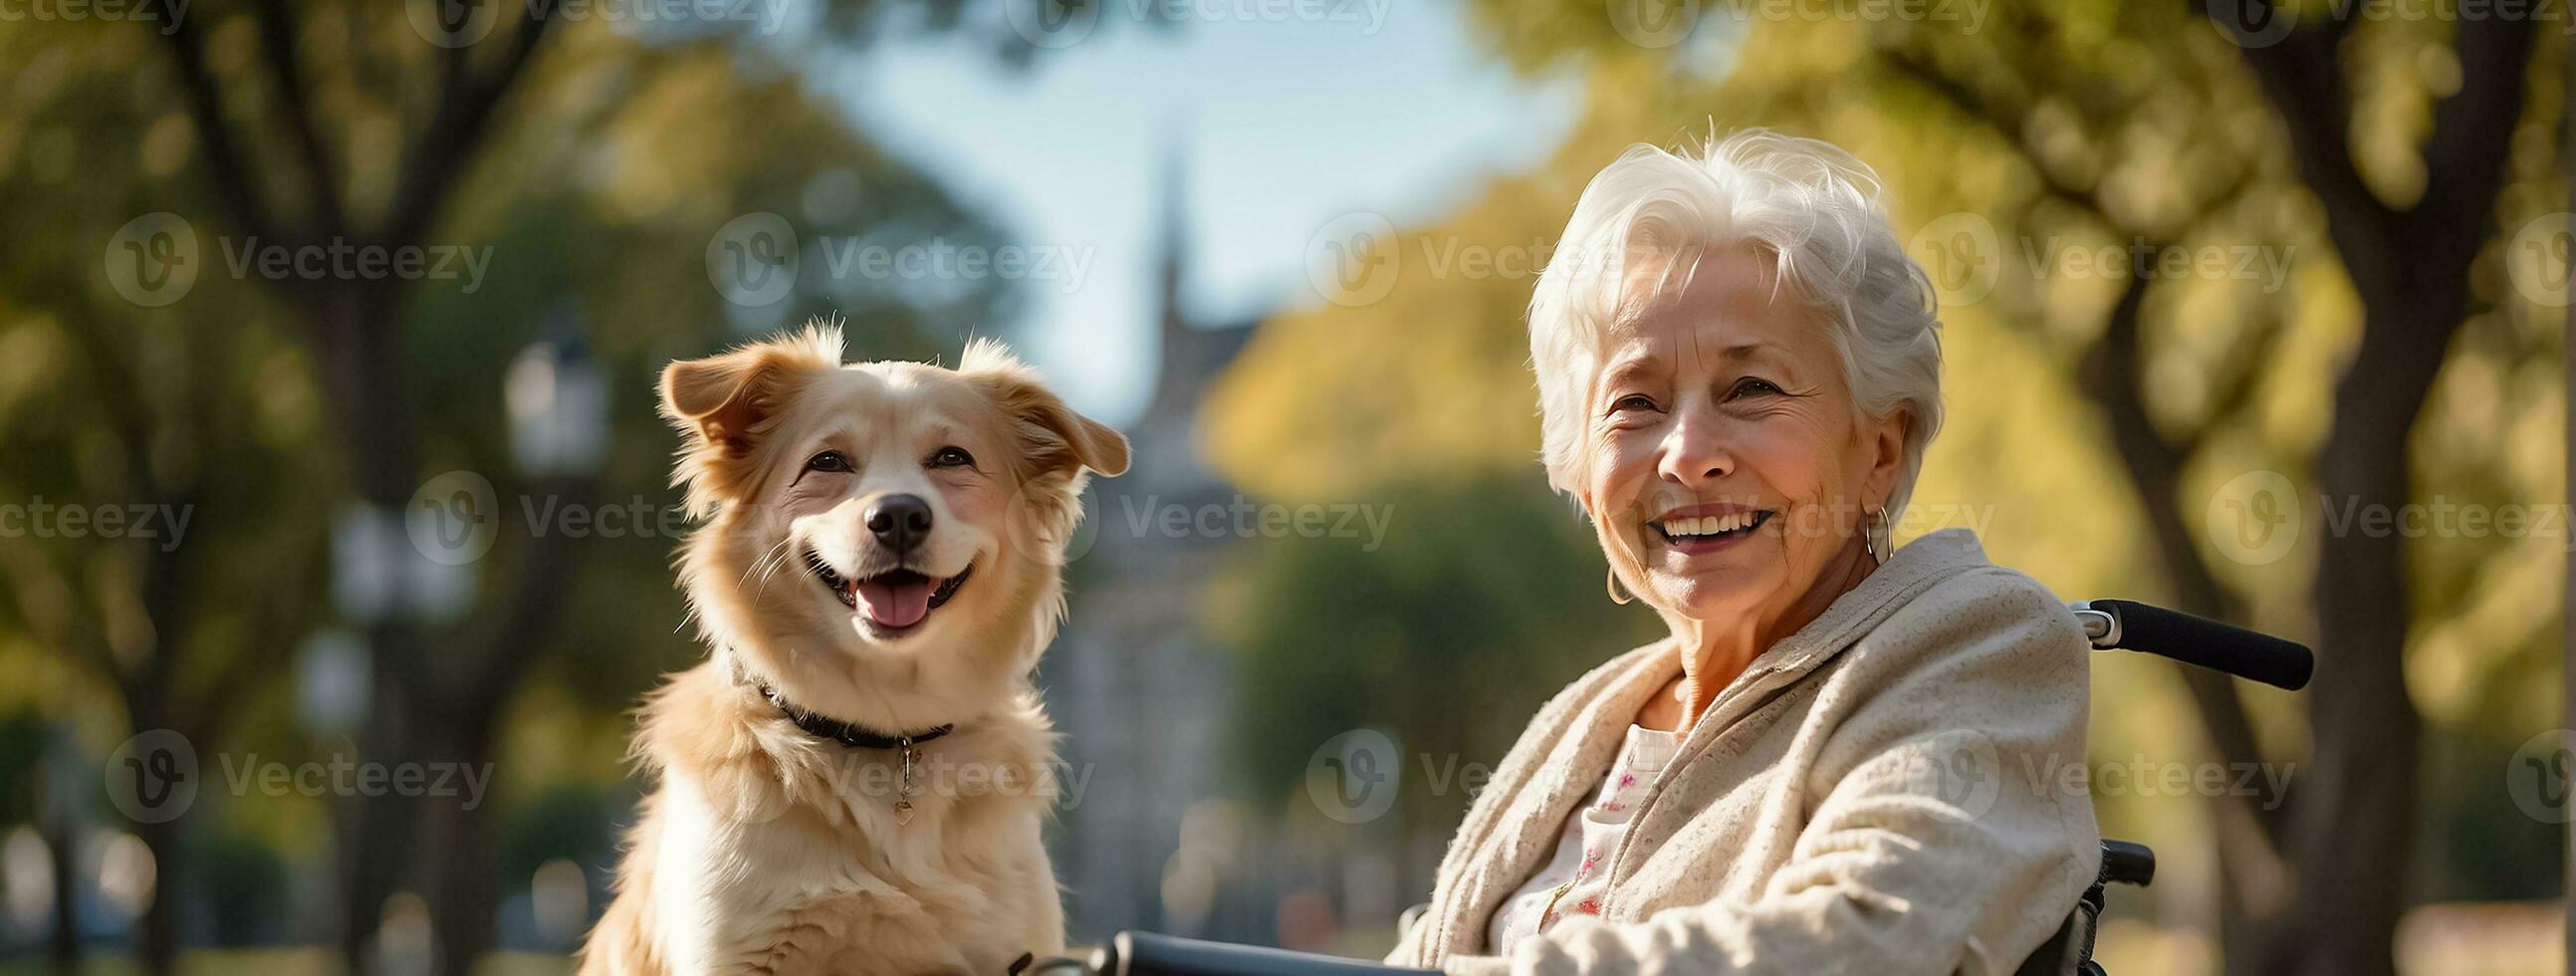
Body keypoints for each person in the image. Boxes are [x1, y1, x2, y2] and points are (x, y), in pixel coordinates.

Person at [1386, 130, 2100, 975]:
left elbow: (1865, 939)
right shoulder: (1580, 723)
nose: (1686, 453)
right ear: (1583, 481)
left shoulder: (1981, 644)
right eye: (1635, 403)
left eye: (1750, 388)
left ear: (1878, 450)